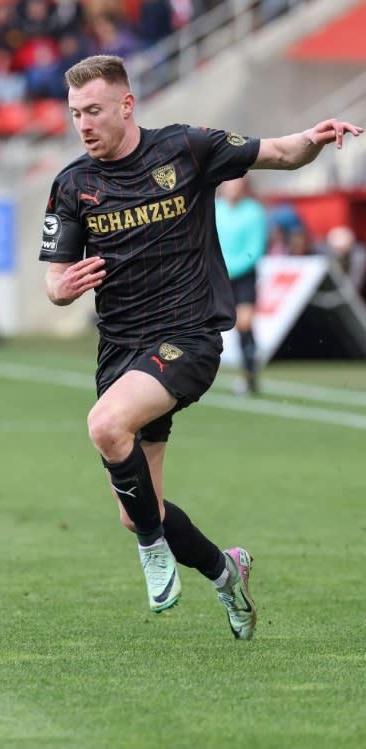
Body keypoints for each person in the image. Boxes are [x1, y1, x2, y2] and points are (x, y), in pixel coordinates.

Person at [39, 54, 362, 639]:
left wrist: (315, 140)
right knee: (138, 508)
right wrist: (62, 288)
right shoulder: (72, 185)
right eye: (74, 114)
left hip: (188, 338)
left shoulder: (187, 147)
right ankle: (224, 572)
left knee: (106, 426)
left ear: (126, 104)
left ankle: (152, 551)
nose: (82, 124)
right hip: (120, 352)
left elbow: (281, 153)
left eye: (93, 111)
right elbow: (55, 282)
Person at [215, 175, 268, 395]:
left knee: (244, 325)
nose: (233, 189)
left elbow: (255, 248)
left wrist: (232, 268)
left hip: (243, 275)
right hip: (217, 274)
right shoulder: (214, 208)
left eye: (237, 185)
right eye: (229, 185)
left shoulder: (254, 211)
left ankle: (249, 373)